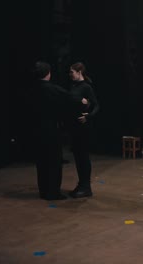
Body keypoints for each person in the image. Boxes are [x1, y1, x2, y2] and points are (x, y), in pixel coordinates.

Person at [31, 61, 87, 200]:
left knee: (41, 161)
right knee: (54, 161)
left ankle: (43, 191)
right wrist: (83, 101)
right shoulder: (52, 88)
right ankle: (53, 192)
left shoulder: (32, 88)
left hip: (36, 129)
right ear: (48, 73)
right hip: (50, 128)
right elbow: (69, 98)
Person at [66, 62, 100, 198]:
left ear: (79, 72)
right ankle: (81, 184)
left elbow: (97, 105)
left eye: (72, 72)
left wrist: (89, 116)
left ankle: (86, 186)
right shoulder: (73, 86)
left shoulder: (86, 87)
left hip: (83, 127)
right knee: (78, 157)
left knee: (83, 157)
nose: (70, 74)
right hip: (74, 127)